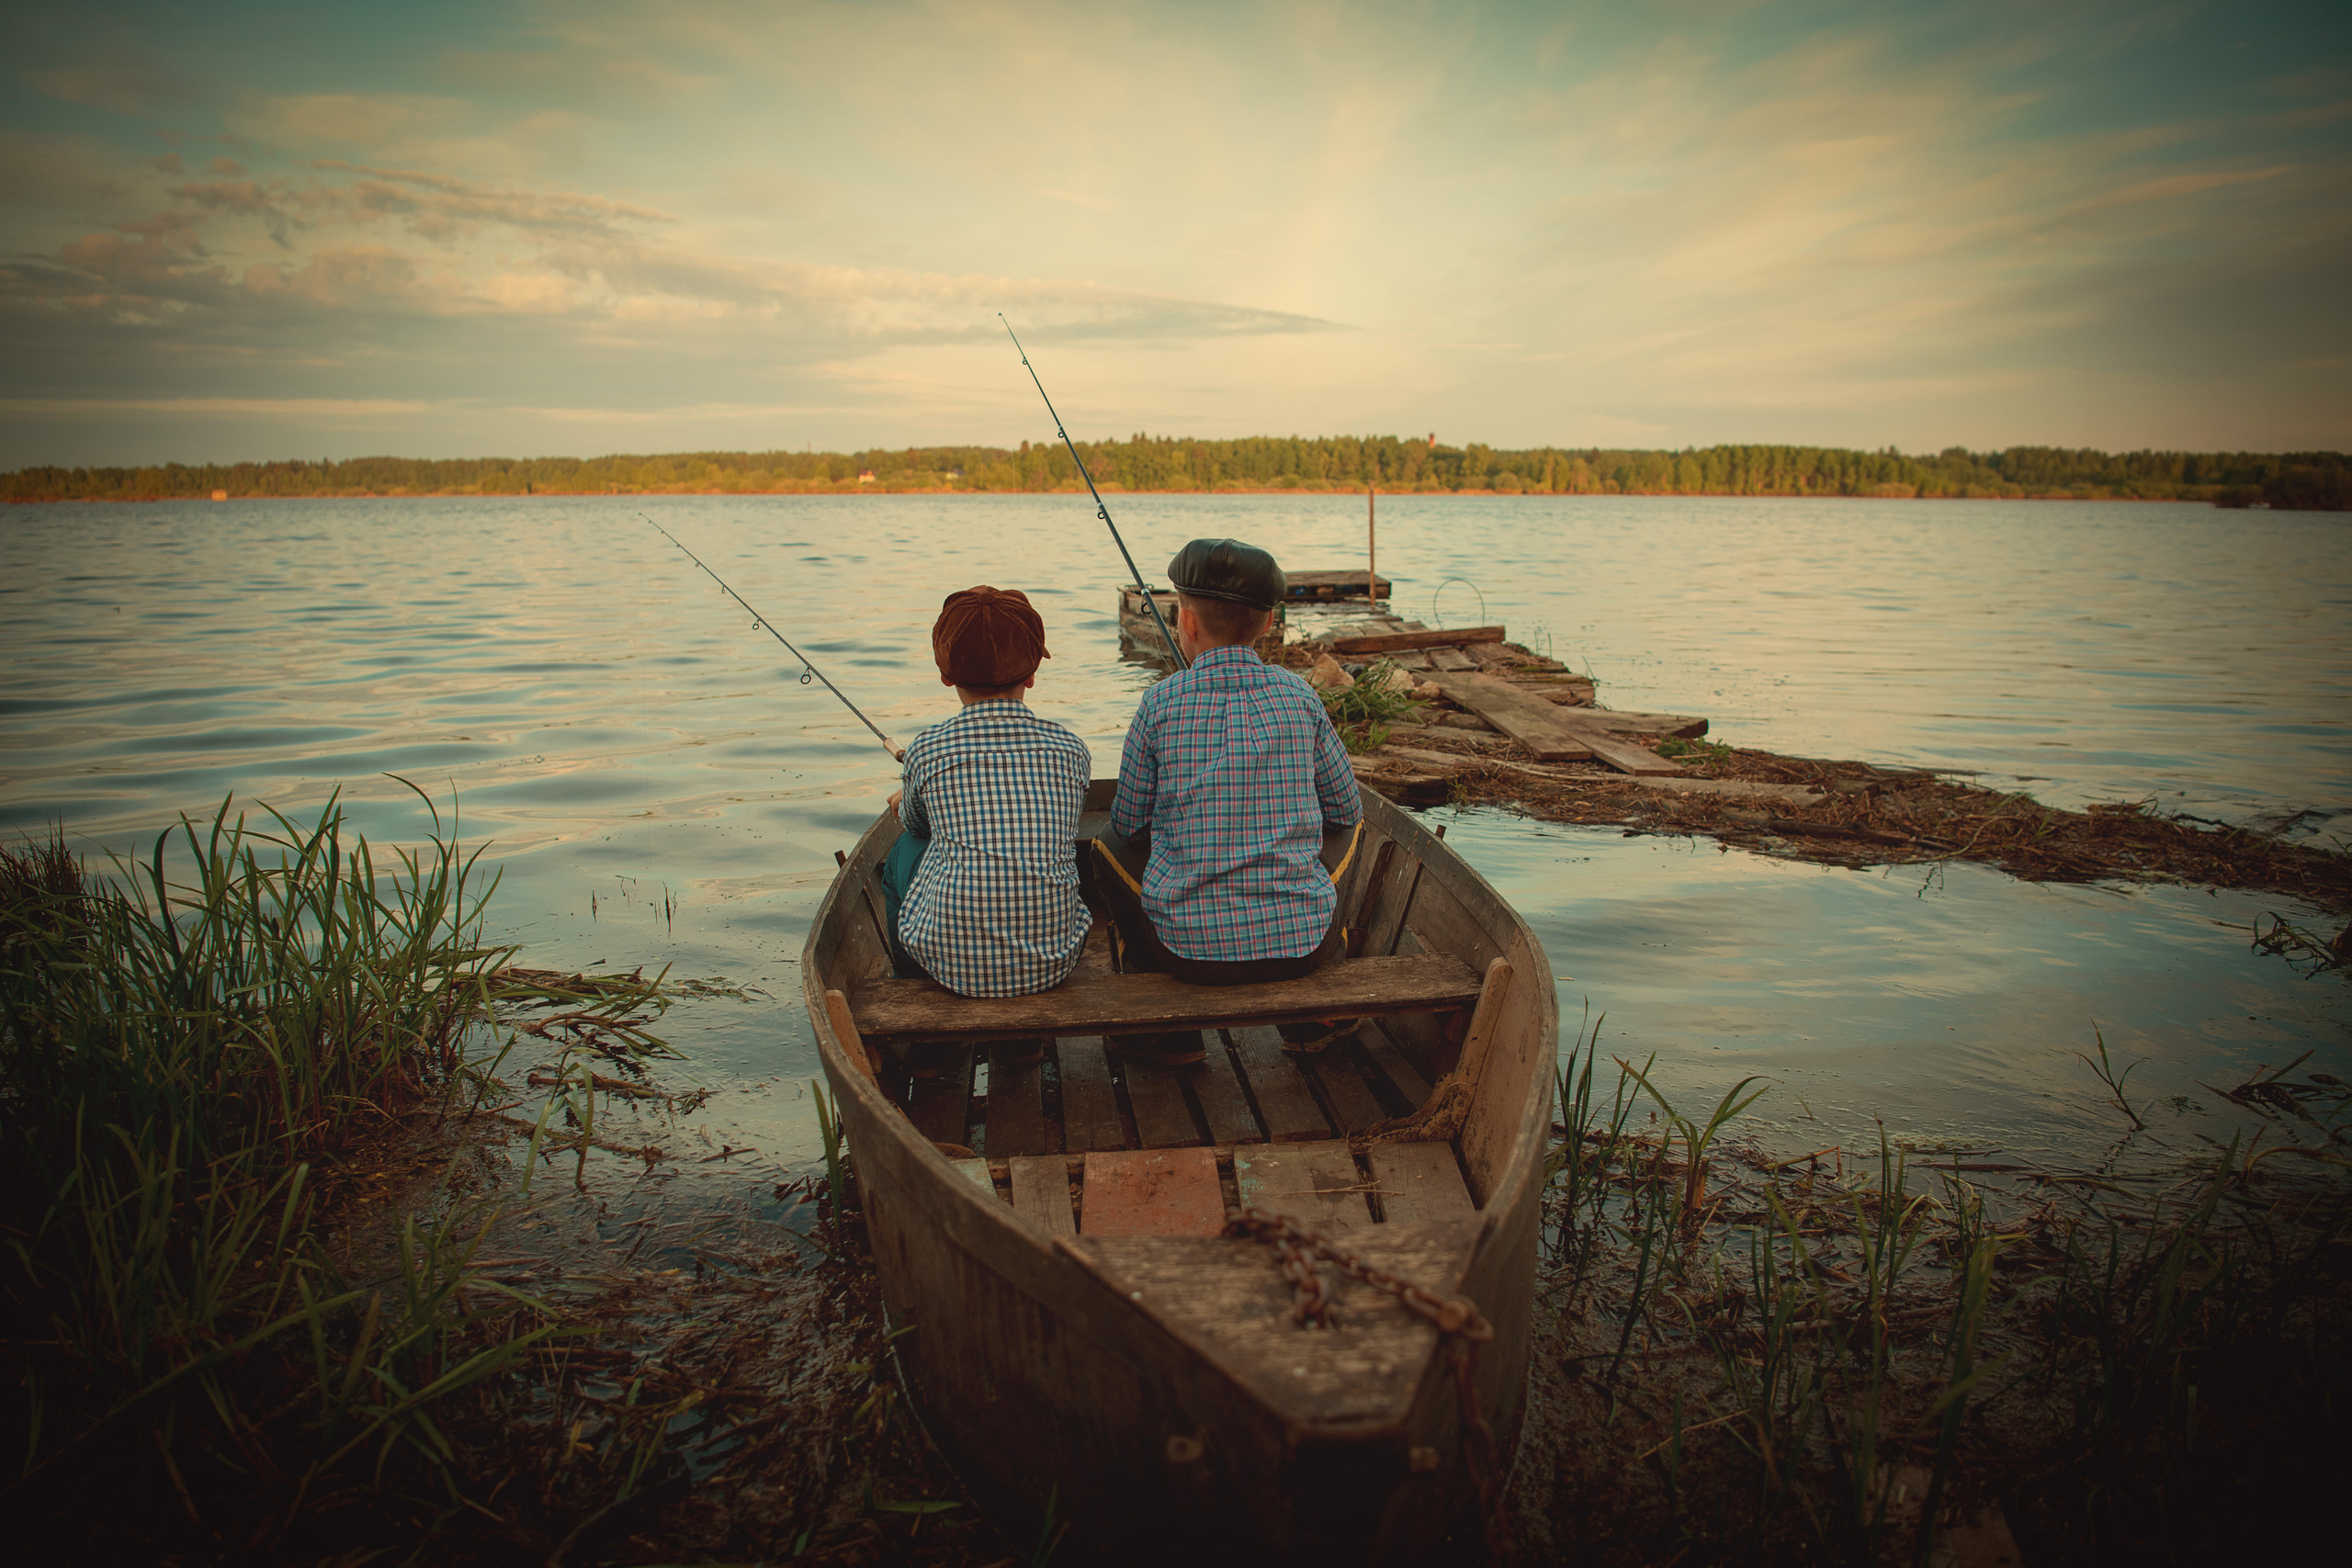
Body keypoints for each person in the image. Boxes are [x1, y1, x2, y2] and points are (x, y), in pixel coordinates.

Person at [1097, 537, 1363, 1012]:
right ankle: (1325, 999)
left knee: (1106, 844)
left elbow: (1129, 826)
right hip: (1303, 947)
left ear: (1187, 622)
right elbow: (1345, 812)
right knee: (1353, 828)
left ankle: (1146, 995)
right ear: (1267, 623)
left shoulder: (1159, 703)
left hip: (1187, 951)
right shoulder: (1300, 696)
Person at [881, 586, 1091, 999]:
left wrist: (903, 804)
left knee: (902, 852)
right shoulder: (1071, 750)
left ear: (946, 676)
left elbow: (918, 826)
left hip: (952, 967)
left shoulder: (927, 749)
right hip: (1054, 963)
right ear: (1032, 674)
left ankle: (910, 983)